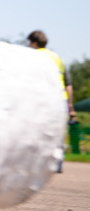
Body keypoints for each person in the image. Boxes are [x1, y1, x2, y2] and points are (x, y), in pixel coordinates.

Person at [27, 29, 77, 171]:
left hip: (42, 98)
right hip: (60, 99)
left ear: (34, 43)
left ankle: (36, 164)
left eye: (30, 42)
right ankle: (58, 164)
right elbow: (68, 84)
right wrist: (70, 106)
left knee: (36, 130)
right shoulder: (57, 57)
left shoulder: (32, 55)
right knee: (58, 132)